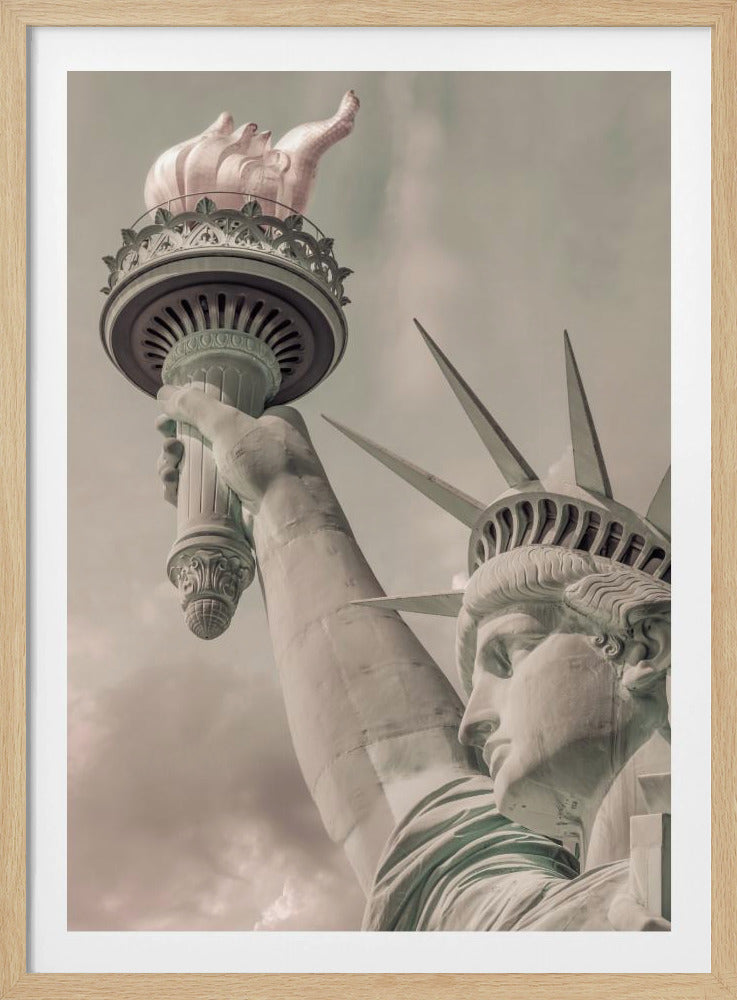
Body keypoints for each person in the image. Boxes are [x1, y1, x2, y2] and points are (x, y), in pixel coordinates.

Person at [155, 330, 671, 931]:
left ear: (646, 645)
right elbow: (410, 796)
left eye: (507, 656)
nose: (472, 721)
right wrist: (276, 497)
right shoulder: (548, 921)